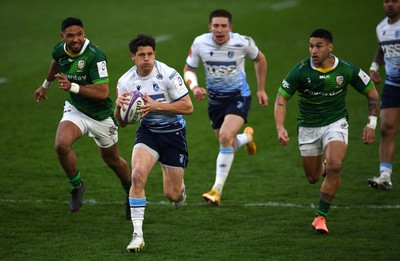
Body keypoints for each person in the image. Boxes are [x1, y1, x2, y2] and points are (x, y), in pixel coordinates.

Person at [274, 29, 379, 234]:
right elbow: (281, 99)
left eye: (319, 46)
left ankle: (321, 217)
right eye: (311, 46)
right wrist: (280, 127)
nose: (313, 50)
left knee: (336, 165)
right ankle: (324, 167)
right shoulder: (301, 71)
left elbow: (372, 93)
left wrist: (371, 124)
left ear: (330, 47)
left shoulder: (347, 70)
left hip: (336, 122)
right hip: (308, 126)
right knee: (313, 177)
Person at [33, 17, 131, 218]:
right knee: (61, 144)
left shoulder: (96, 56)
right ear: (63, 37)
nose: (76, 39)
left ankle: (132, 192)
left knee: (112, 160)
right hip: (76, 109)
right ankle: (77, 187)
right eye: (70, 35)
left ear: (84, 33)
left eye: (79, 34)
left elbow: (103, 92)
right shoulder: (60, 49)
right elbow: (56, 63)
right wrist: (45, 85)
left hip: (101, 115)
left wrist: (72, 87)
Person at [114, 34, 193, 252]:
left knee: (172, 194)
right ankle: (137, 235)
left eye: (150, 54)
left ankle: (180, 189)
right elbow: (122, 123)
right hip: (148, 134)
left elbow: (188, 107)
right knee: (137, 175)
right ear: (133, 57)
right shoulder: (125, 82)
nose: (147, 59)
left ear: (154, 54)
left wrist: (156, 106)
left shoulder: (168, 74)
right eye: (142, 55)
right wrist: (118, 107)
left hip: (173, 134)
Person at [183, 9, 268, 205]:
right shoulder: (200, 43)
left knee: (225, 137)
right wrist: (194, 87)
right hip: (215, 101)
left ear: (230, 27)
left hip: (239, 96)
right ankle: (247, 138)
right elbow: (189, 69)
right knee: (226, 143)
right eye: (216, 26)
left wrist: (261, 89)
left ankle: (216, 190)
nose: (219, 30)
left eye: (223, 26)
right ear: (209, 27)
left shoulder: (242, 42)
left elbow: (259, 59)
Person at [368, 0, 400, 191]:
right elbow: (382, 48)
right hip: (393, 85)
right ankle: (385, 176)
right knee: (386, 127)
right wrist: (374, 67)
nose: (390, 4)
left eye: (394, 1)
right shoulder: (381, 27)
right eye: (386, 1)